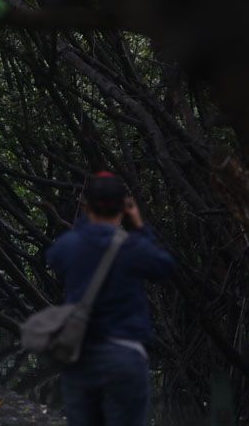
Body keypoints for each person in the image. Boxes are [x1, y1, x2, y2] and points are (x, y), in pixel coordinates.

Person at [46, 172, 175, 426]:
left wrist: (84, 227)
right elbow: (165, 266)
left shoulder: (69, 245)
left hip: (80, 358)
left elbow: (53, 259)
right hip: (124, 358)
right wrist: (140, 227)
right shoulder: (133, 247)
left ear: (85, 206)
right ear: (123, 209)